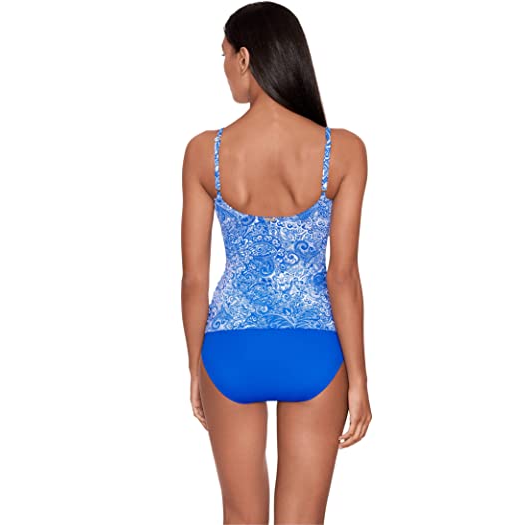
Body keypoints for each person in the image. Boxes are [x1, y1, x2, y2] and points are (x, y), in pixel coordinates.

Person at [180, 2, 371, 523]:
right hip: (315, 350)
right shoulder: (343, 150)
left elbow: (194, 278)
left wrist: (195, 367)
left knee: (241, 517)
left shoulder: (204, 152)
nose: (224, 68)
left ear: (245, 58)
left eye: (224, 55)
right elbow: (343, 276)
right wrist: (359, 379)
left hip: (229, 348)